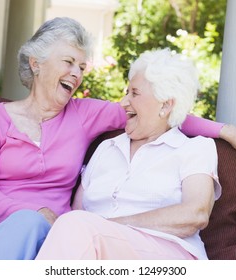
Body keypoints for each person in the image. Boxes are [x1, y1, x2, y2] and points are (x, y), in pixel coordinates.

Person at [0, 17, 236, 260]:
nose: (77, 73)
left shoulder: (85, 114)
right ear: (36, 63)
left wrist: (226, 131)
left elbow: (162, 111)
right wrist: (35, 214)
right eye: (69, 62)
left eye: (82, 67)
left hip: (44, 237)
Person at [36, 48, 220, 260]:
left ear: (166, 105)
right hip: (100, 252)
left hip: (167, 256)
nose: (123, 102)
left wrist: (106, 227)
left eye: (134, 93)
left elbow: (195, 214)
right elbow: (77, 212)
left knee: (75, 226)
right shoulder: (107, 148)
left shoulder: (195, 149)